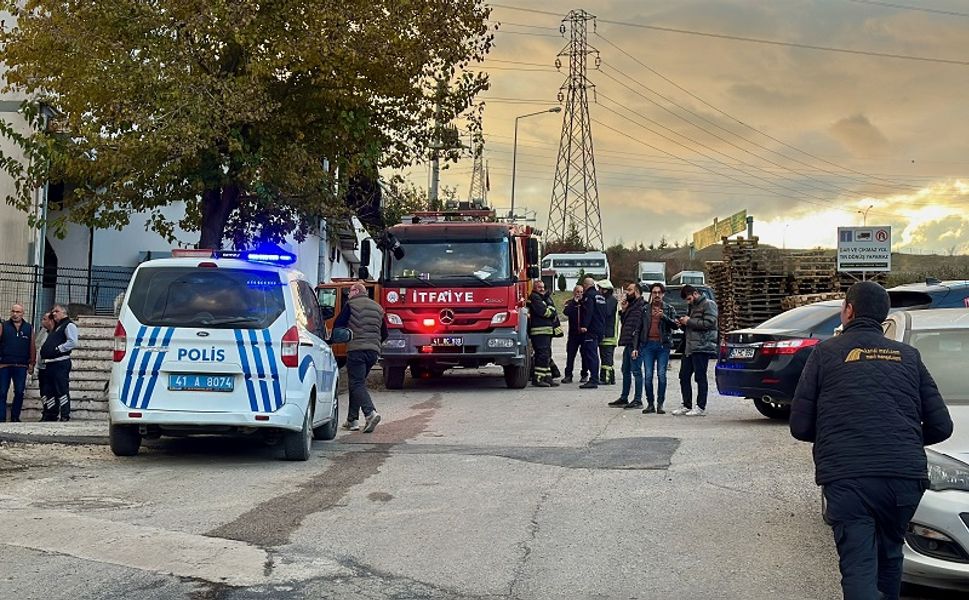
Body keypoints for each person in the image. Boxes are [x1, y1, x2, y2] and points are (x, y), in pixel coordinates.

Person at [790, 281, 953, 600]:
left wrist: (834, 435)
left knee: (859, 567)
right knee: (890, 557)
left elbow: (799, 425)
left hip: (849, 477)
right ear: (884, 315)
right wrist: (902, 437)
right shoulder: (909, 356)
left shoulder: (824, 354)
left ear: (848, 310)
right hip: (904, 478)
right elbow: (942, 426)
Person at [334, 282, 388, 433]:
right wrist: (374, 344)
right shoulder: (378, 308)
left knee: (356, 383)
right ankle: (352, 420)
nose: (348, 295)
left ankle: (370, 413)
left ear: (356, 291)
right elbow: (385, 333)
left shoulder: (351, 305)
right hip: (373, 352)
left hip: (356, 350)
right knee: (356, 383)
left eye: (350, 291)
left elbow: (339, 324)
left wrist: (339, 338)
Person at [672, 285, 718, 416]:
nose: (688, 301)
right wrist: (683, 324)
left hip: (702, 347)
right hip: (690, 347)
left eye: (689, 298)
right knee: (684, 376)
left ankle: (700, 406)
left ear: (696, 293)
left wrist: (689, 321)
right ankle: (686, 404)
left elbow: (709, 323)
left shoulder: (709, 304)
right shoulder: (692, 307)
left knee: (700, 377)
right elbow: (691, 327)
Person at [636, 283, 679, 414]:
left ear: (663, 294)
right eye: (654, 293)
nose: (657, 295)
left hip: (662, 346)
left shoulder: (669, 308)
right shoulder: (645, 309)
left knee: (661, 375)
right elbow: (638, 329)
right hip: (648, 345)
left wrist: (663, 317)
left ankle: (660, 404)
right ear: (651, 294)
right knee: (648, 375)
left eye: (659, 292)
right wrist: (635, 347)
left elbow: (675, 326)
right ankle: (650, 403)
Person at [40, 304, 78, 422]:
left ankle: (65, 414)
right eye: (53, 311)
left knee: (61, 389)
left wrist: (58, 349)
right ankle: (50, 414)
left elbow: (72, 342)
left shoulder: (69, 325)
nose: (54, 314)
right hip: (49, 364)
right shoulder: (57, 327)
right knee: (49, 390)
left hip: (60, 363)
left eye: (56, 311)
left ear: (64, 312)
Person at [610, 282, 645, 408]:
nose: (626, 293)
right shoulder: (632, 306)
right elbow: (626, 323)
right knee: (625, 370)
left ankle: (638, 399)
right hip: (628, 343)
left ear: (636, 292)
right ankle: (624, 397)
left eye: (629, 290)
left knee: (636, 371)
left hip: (635, 344)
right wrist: (624, 310)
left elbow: (637, 327)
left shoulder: (640, 306)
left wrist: (636, 347)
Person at [0, 303, 37, 422]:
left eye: (18, 312)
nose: (15, 314)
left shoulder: (28, 327)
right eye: (13, 311)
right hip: (4, 365)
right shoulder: (3, 326)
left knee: (20, 392)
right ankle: (1, 417)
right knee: (2, 392)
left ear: (22, 314)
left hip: (21, 366)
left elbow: (32, 346)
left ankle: (15, 417)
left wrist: (32, 363)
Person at [527, 280, 559, 388]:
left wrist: (551, 309)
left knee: (547, 355)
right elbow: (544, 312)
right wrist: (552, 311)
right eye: (539, 287)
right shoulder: (535, 297)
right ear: (534, 288)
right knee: (542, 355)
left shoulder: (542, 298)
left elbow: (551, 310)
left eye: (542, 287)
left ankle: (548, 378)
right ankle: (538, 378)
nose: (542, 289)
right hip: (539, 331)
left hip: (546, 331)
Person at [578, 276, 606, 389]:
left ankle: (593, 379)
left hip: (591, 330)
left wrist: (584, 325)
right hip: (600, 328)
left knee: (591, 355)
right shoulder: (601, 296)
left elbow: (588, 312)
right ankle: (596, 377)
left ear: (585, 285)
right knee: (594, 354)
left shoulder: (589, 296)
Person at [561, 285, 588, 384]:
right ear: (574, 292)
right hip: (573, 334)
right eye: (577, 292)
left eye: (581, 292)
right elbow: (566, 312)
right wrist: (574, 303)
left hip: (584, 333)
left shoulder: (586, 303)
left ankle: (584, 374)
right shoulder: (570, 303)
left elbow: (588, 313)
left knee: (585, 355)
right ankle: (568, 375)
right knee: (570, 355)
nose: (579, 294)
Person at [597, 280, 619, 386]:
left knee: (606, 358)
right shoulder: (610, 299)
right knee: (606, 357)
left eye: (601, 289)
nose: (599, 291)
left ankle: (606, 378)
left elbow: (606, 312)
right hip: (607, 334)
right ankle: (610, 377)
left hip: (609, 335)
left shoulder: (610, 300)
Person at [34, 312, 54, 421]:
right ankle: (45, 411)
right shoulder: (43, 332)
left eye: (44, 319)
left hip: (50, 367)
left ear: (50, 321)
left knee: (50, 391)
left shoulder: (55, 333)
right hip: (41, 366)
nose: (42, 321)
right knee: (43, 392)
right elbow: (38, 347)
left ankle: (51, 413)